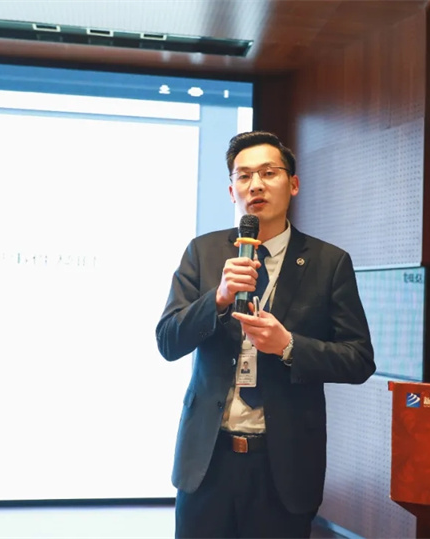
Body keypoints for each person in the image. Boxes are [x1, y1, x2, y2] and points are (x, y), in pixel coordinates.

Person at [156, 131, 375, 538]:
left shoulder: (329, 262)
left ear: (293, 184)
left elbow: (359, 359)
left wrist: (288, 346)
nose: (255, 185)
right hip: (207, 464)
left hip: (283, 468)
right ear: (232, 191)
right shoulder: (203, 253)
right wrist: (218, 298)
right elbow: (168, 341)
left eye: (268, 173)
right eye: (243, 176)